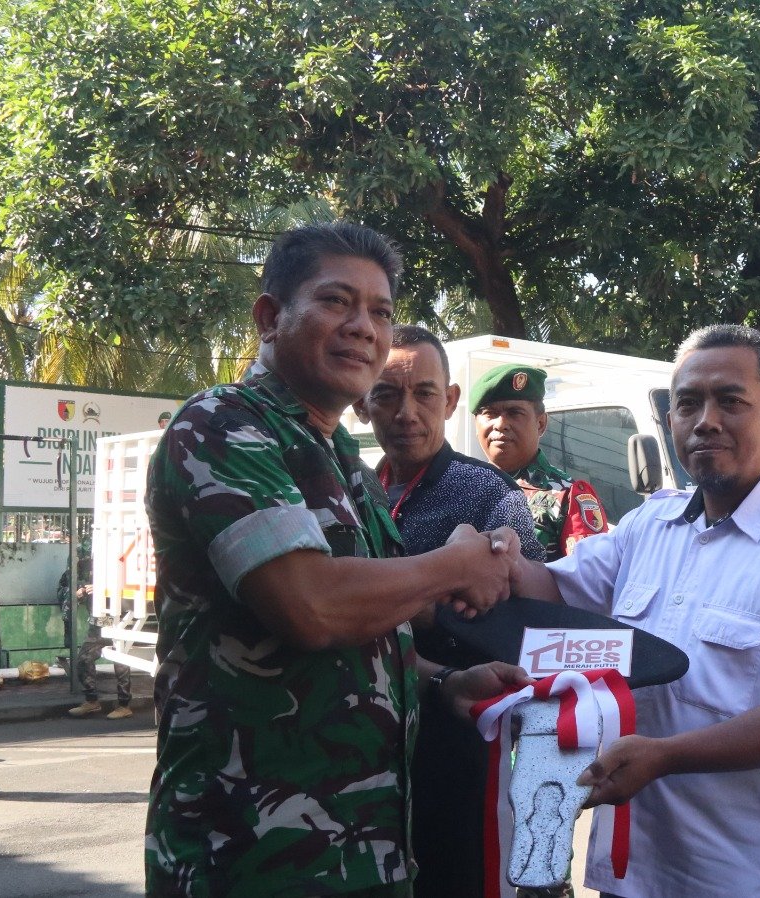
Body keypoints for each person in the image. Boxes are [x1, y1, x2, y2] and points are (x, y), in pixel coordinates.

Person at [143, 221, 529, 897]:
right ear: (270, 317)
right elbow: (311, 605)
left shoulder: (342, 458)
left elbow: (371, 629)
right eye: (335, 301)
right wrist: (456, 565)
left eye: (380, 312)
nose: (363, 328)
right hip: (250, 854)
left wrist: (443, 684)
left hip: (363, 850)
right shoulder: (223, 424)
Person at [512, 324, 760, 898]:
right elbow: (553, 591)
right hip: (630, 869)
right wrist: (488, 556)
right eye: (688, 404)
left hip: (738, 877)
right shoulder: (648, 525)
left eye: (731, 401)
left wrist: (664, 757)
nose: (706, 420)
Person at [352, 324, 547, 898]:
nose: (406, 413)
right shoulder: (351, 489)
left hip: (459, 732)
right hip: (365, 737)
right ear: (362, 404)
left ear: (451, 400)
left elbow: (523, 618)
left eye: (424, 394)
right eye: (387, 394)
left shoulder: (489, 493)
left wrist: (416, 609)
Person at [471, 363, 609, 560]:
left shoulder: (567, 496)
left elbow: (588, 574)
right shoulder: (462, 487)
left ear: (541, 423)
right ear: (476, 425)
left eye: (514, 413)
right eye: (490, 414)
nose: (500, 424)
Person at [60, 554, 133, 720]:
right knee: (83, 660)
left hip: (119, 622)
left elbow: (128, 590)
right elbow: (67, 592)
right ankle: (91, 701)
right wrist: (79, 593)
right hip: (97, 625)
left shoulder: (119, 566)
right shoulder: (85, 568)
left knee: (121, 664)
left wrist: (103, 588)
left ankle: (124, 705)